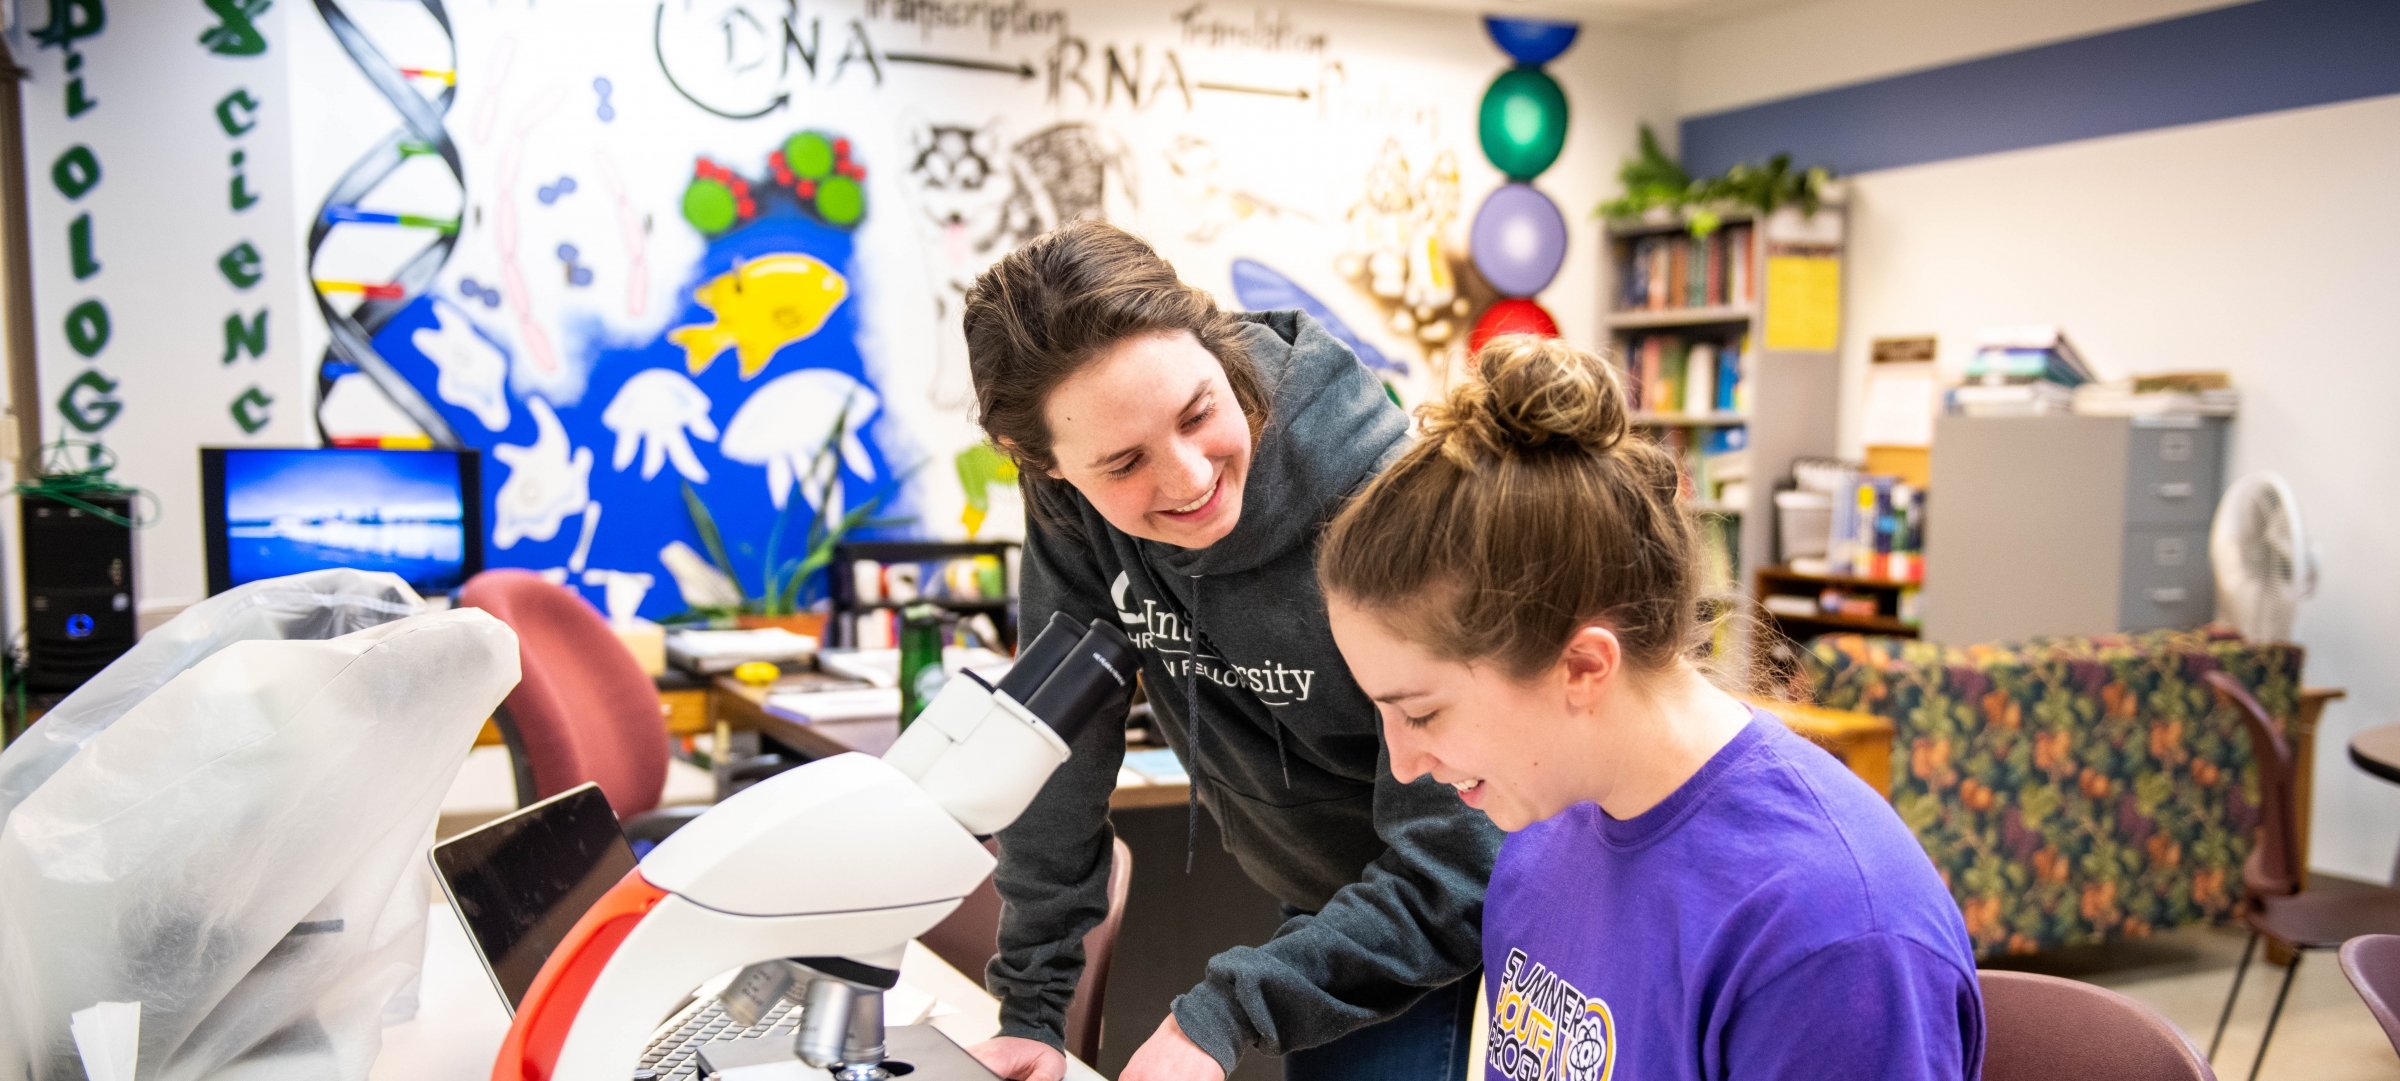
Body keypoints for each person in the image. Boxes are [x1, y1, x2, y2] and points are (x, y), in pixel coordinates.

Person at [1316, 335, 1986, 1081]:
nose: (1402, 765)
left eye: (1423, 712)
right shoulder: (1543, 824)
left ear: (1582, 666)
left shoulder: (1829, 936)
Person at [959, 219, 1500, 1081]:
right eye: (1124, 461)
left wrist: (1225, 1007)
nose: (1186, 477)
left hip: (1456, 876)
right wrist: (1032, 1007)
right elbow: (1058, 745)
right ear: (1044, 464)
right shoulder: (1068, 499)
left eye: (1199, 413)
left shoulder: (1378, 497)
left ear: (1213, 342)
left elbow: (1458, 856)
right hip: (1329, 891)